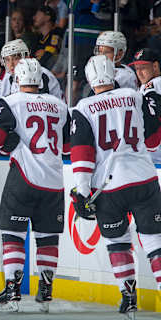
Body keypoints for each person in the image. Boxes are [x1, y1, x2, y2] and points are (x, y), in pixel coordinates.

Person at [0, 58, 69, 313]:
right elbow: (68, 145)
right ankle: (46, 290)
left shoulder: (12, 102)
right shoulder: (60, 105)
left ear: (17, 81)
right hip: (55, 182)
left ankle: (12, 290)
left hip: (24, 178)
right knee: (47, 236)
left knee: (13, 234)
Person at [70, 55, 161, 317]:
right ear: (113, 74)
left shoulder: (84, 107)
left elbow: (82, 154)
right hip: (144, 179)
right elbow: (154, 139)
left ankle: (128, 296)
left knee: (118, 242)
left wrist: (82, 192)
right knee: (155, 241)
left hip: (109, 188)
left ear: (89, 79)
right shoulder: (134, 96)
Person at [129, 48, 161, 164]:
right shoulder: (148, 85)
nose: (139, 72)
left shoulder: (154, 83)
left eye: (143, 68)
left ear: (155, 66)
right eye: (137, 69)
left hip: (155, 154)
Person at [32, 5, 64, 69]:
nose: (34, 18)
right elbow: (32, 56)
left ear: (47, 17)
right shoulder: (38, 37)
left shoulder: (56, 33)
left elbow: (49, 56)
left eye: (38, 15)